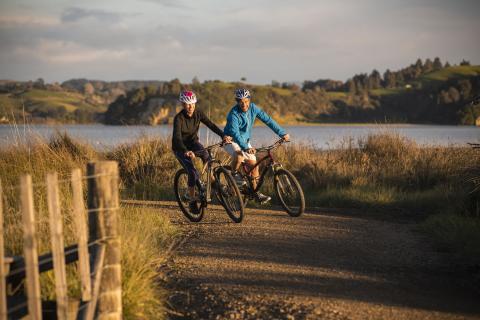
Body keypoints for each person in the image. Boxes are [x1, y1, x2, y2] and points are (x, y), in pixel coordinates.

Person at [223, 88, 290, 204]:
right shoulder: (233, 114)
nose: (244, 104)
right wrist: (246, 148)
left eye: (246, 101)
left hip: (245, 141)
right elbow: (235, 133)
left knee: (254, 168)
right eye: (241, 102)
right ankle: (233, 177)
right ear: (237, 101)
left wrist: (282, 133)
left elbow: (268, 120)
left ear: (249, 100)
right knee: (239, 156)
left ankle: (255, 193)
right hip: (231, 140)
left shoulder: (253, 108)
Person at [172, 90, 231, 213]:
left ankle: (214, 184)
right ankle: (192, 199)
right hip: (180, 148)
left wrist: (223, 136)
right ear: (183, 104)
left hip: (193, 143)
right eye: (188, 104)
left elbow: (211, 125)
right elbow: (177, 138)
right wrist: (185, 151)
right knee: (192, 172)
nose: (191, 107)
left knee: (207, 157)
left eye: (193, 104)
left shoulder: (198, 113)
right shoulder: (179, 119)